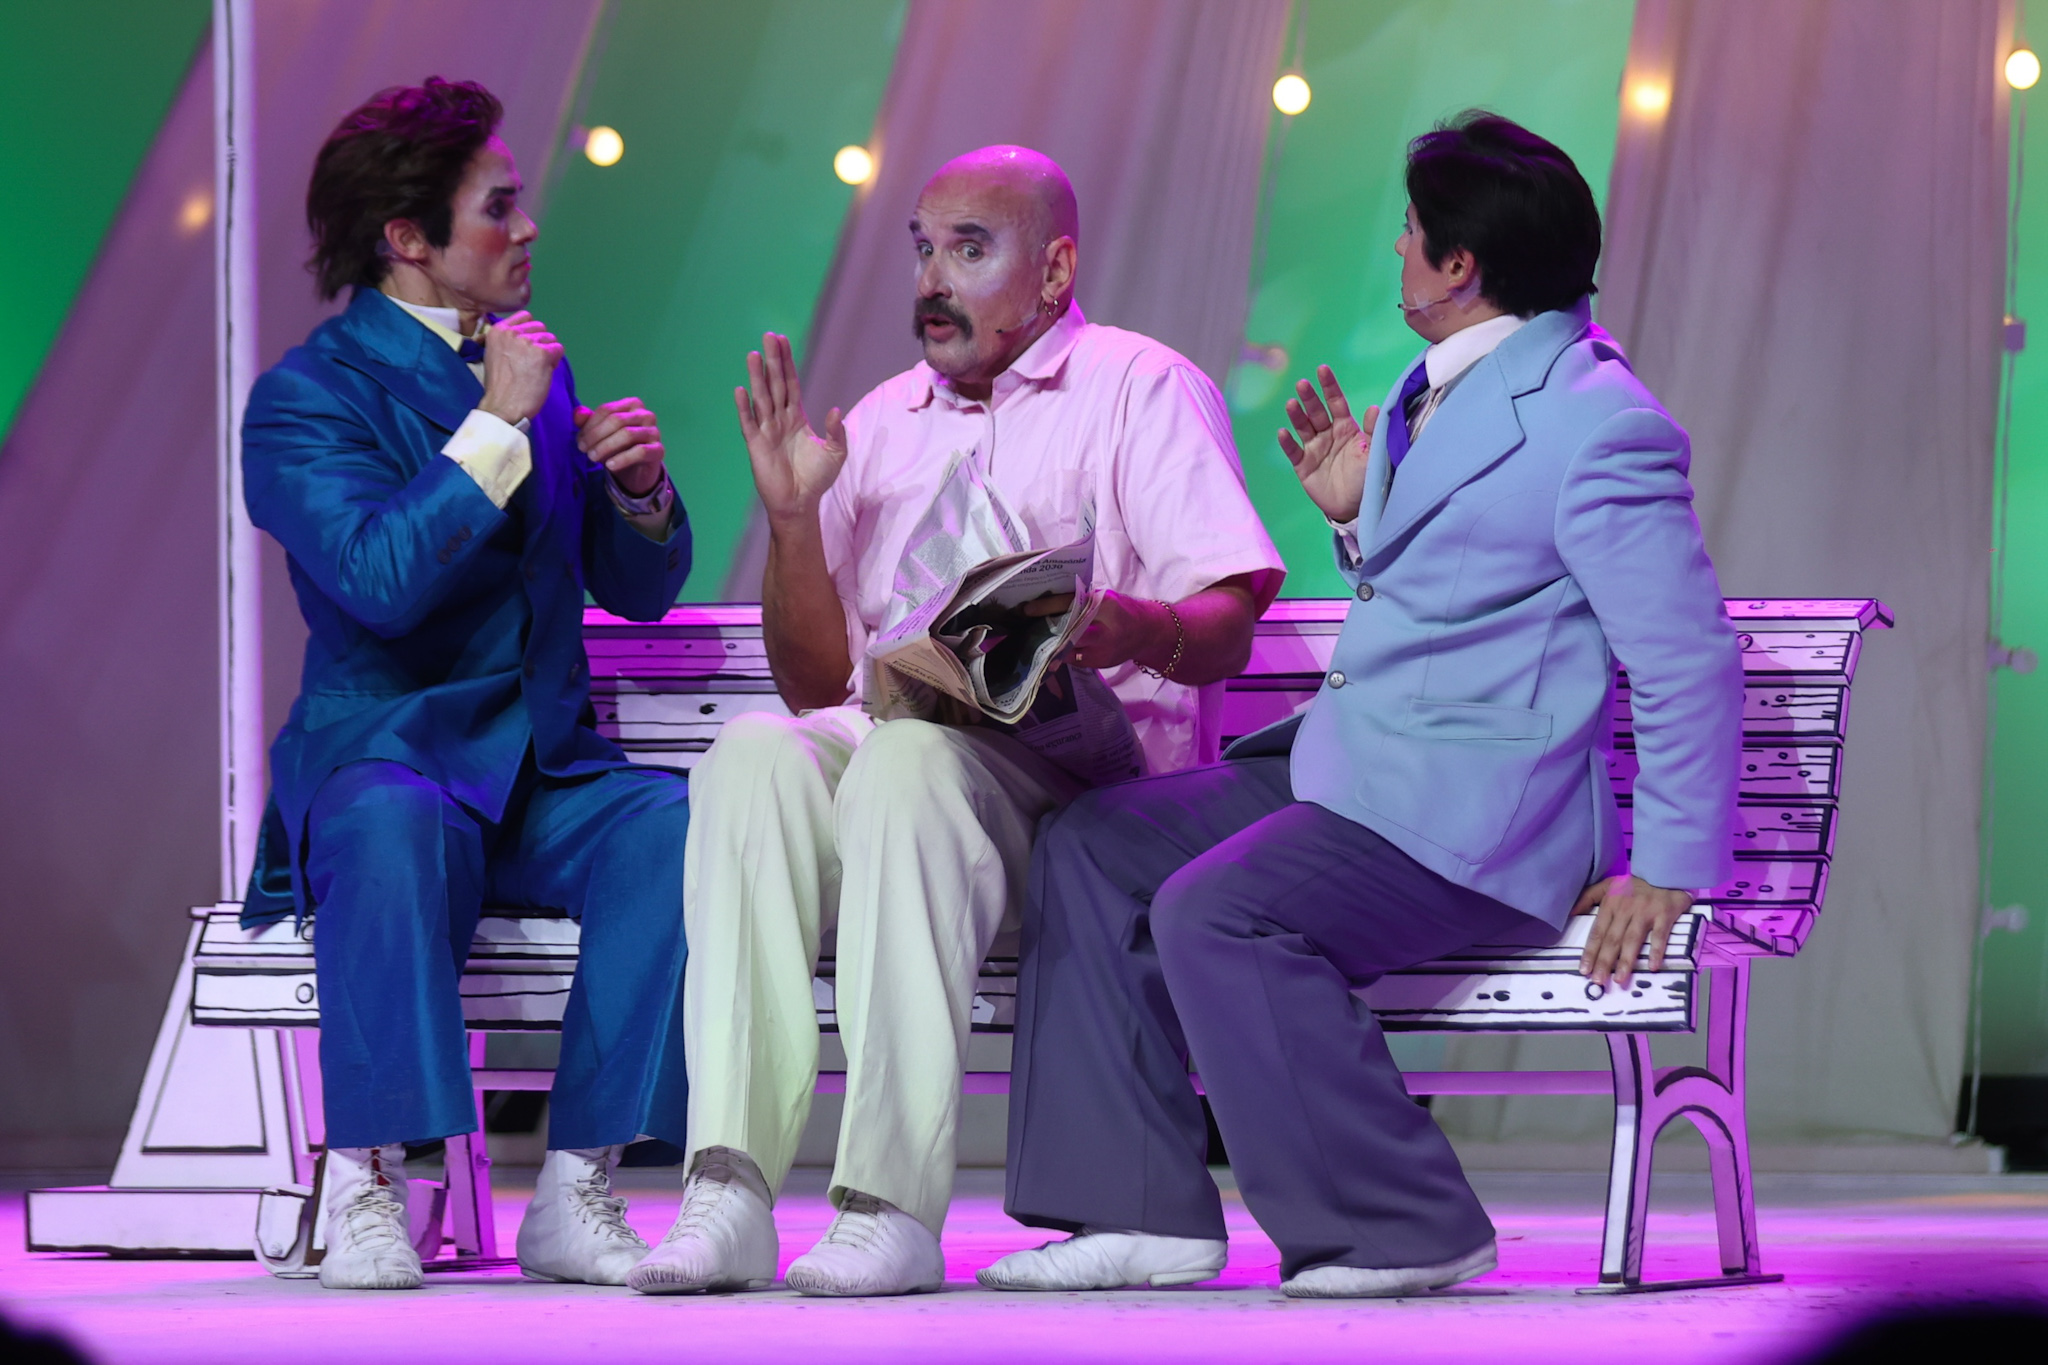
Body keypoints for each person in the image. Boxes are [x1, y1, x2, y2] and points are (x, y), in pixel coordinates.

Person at [982, 111, 1744, 1298]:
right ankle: (1134, 1207)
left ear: (1459, 265)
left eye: (1409, 231)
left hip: (1473, 805)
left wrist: (1669, 866)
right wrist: (1354, 523)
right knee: (1091, 845)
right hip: (1357, 766)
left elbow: (1686, 657)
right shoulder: (1437, 387)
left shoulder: (1601, 423)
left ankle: (1401, 1222)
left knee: (1220, 912)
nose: (1395, 248)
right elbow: (1460, 588)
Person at [625, 145, 1286, 1298]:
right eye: (922, 249)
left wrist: (1123, 627)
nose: (931, 279)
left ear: (1053, 270)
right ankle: (727, 1189)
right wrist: (793, 523)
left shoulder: (1140, 386)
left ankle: (886, 1205)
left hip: (1085, 811)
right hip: (913, 790)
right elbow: (811, 683)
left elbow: (1227, 622)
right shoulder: (881, 421)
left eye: (968, 250)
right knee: (751, 753)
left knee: (907, 763)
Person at [241, 78, 695, 1290]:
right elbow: (377, 578)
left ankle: (579, 1182)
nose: (527, 226)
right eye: (499, 206)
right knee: (387, 827)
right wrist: (494, 427)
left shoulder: (527, 368)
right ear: (408, 237)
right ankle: (369, 1176)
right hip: (394, 753)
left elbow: (634, 590)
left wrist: (638, 493)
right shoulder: (304, 397)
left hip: (542, 770)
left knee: (678, 823)